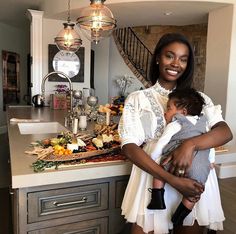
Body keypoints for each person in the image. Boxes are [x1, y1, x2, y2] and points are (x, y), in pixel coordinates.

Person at [118, 33, 233, 234]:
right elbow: (129, 146)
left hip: (194, 178)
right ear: (157, 58)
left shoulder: (199, 98)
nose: (175, 63)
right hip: (153, 178)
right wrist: (173, 180)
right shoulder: (138, 98)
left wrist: (190, 145)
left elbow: (224, 132)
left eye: (183, 59)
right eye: (169, 56)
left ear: (188, 64)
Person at [147, 88, 216, 227]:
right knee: (194, 193)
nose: (165, 112)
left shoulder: (176, 123)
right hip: (200, 166)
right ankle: (179, 218)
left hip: (176, 161)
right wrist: (212, 161)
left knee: (160, 172)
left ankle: (157, 198)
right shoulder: (204, 124)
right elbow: (211, 145)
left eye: (169, 108)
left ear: (183, 112)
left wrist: (153, 158)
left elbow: (162, 142)